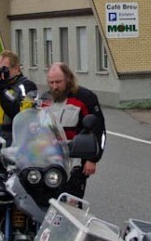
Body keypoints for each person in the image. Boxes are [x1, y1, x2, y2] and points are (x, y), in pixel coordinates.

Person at [44, 61, 105, 199]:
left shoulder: (86, 98)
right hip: (48, 162)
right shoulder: (45, 100)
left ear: (68, 79)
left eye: (58, 82)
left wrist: (93, 159)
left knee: (70, 205)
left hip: (75, 163)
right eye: (51, 82)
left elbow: (99, 130)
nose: (55, 86)